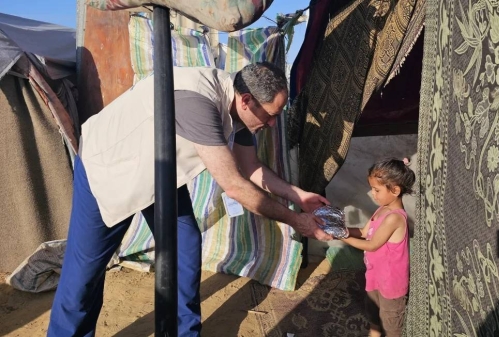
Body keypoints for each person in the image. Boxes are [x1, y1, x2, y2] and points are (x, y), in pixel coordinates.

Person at [47, 62, 332, 337]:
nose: (272, 123)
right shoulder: (198, 102)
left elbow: (251, 167)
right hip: (109, 167)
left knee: (184, 246)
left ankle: (184, 332)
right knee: (85, 273)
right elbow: (235, 186)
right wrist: (297, 221)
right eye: (270, 115)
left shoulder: (242, 110)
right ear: (247, 100)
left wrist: (299, 196)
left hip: (158, 172)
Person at [339, 157, 415, 337]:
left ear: (395, 190)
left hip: (391, 283)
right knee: (373, 314)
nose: (372, 193)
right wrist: (341, 229)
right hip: (375, 275)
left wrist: (340, 236)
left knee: (391, 324)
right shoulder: (382, 209)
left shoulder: (394, 218)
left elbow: (372, 245)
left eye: (376, 189)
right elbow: (365, 232)